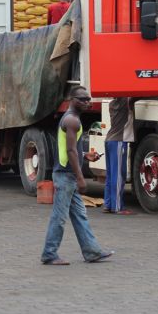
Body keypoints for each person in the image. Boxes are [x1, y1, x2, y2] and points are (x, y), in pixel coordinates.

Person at [41, 86, 114, 265]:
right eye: (82, 99)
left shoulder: (70, 119)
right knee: (59, 217)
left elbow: (69, 149)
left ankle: (92, 251)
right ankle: (49, 254)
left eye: (88, 99)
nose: (87, 102)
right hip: (66, 176)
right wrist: (81, 178)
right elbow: (70, 150)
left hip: (67, 176)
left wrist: (85, 155)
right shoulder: (72, 120)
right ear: (72, 100)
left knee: (80, 215)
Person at [103, 98, 135, 215]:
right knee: (118, 176)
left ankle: (108, 204)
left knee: (110, 175)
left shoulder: (112, 103)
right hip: (118, 141)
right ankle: (117, 207)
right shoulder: (124, 102)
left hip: (109, 140)